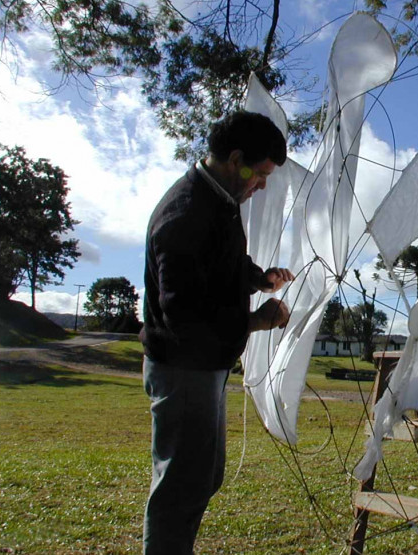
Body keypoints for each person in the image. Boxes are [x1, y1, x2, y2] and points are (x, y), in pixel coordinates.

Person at [139, 110, 294, 554]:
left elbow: (223, 264)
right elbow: (183, 317)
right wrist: (255, 321)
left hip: (206, 367)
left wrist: (259, 279)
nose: (261, 185)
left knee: (205, 476)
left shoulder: (220, 201)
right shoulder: (184, 216)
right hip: (183, 369)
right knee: (181, 488)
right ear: (237, 159)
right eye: (260, 175)